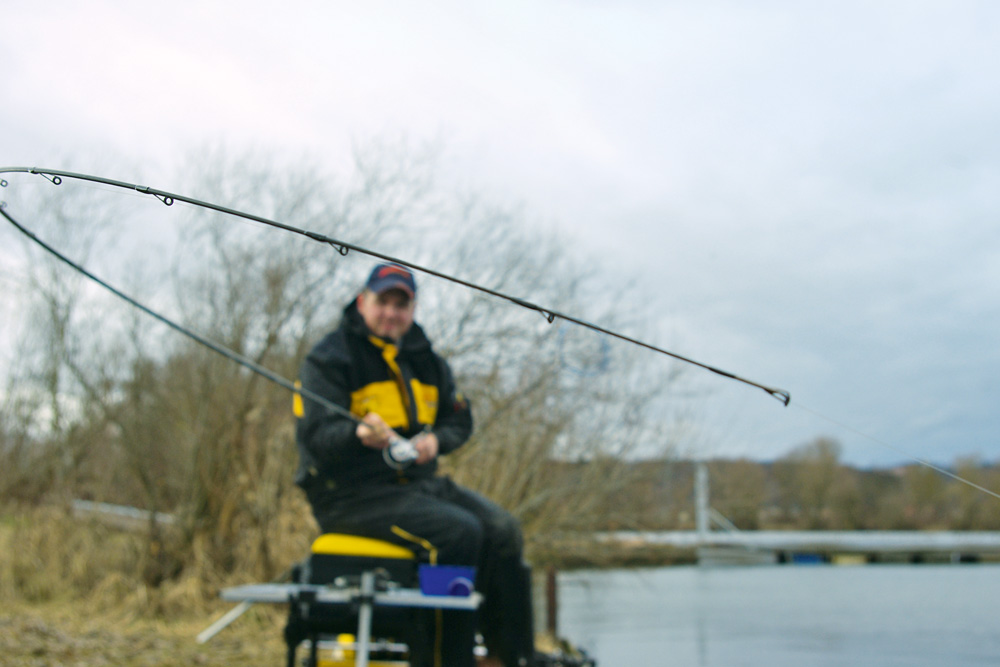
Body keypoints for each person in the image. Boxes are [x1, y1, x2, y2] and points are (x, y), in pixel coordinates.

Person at [294, 262, 535, 667]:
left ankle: (507, 657)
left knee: (503, 530)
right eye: (382, 302)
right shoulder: (329, 359)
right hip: (349, 496)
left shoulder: (427, 361)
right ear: (362, 302)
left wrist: (435, 441)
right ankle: (446, 659)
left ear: (413, 309)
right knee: (458, 534)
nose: (391, 313)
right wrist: (357, 435)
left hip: (418, 486)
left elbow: (460, 419)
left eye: (401, 305)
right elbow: (316, 438)